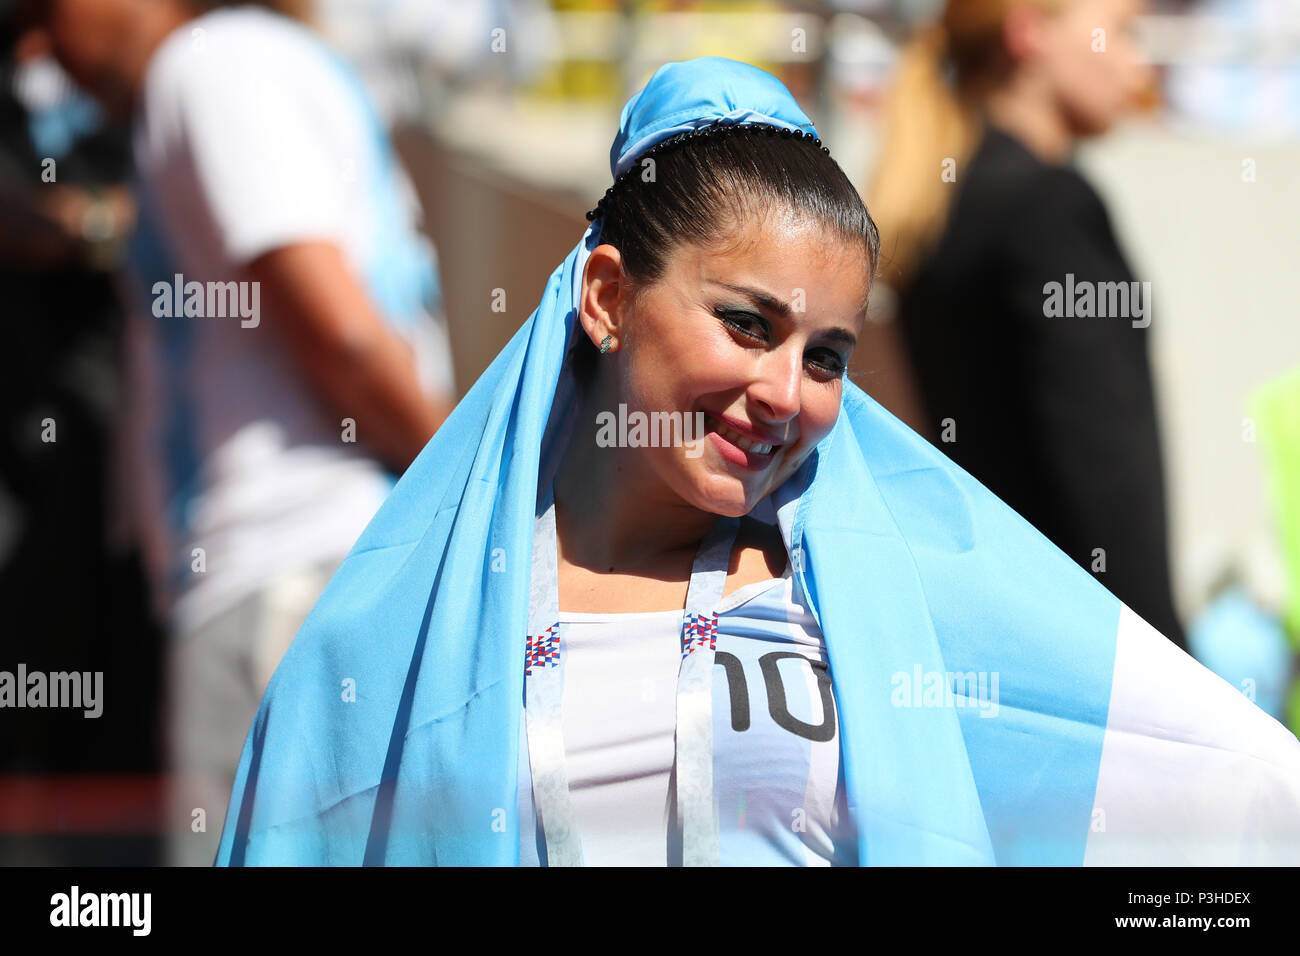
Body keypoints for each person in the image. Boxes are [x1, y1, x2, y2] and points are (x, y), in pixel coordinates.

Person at [218, 57, 1300, 867]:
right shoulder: (394, 638)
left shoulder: (906, 598)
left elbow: (1217, 784)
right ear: (606, 298)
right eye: (746, 324)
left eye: (827, 355)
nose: (786, 391)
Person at [13, 0, 457, 866]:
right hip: (296, 577)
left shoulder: (211, 66)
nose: (36, 45)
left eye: (42, 9)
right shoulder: (237, 65)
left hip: (284, 579)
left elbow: (343, 333)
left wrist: (468, 492)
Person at [867, 0, 1187, 649]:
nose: (1136, 62)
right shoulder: (1050, 209)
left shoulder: (942, 204)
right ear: (1029, 33)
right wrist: (1176, 666)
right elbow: (1107, 481)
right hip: (1087, 649)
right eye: (1120, 34)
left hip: (991, 632)